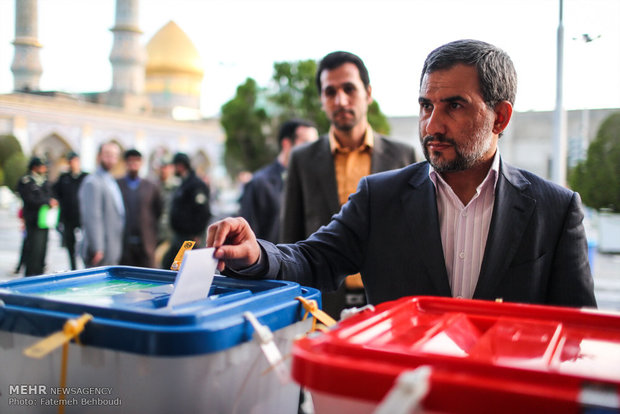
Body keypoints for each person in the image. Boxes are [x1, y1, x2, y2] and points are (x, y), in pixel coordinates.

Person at [207, 39, 597, 309]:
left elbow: (577, 335)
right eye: (426, 106)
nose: (432, 125)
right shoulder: (381, 198)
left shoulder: (555, 210)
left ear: (501, 116)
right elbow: (312, 259)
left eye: (454, 106)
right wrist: (257, 253)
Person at [280, 51, 417, 317]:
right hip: (322, 302)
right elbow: (291, 237)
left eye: (349, 89)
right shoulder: (303, 159)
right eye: (330, 92)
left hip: (387, 302)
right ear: (322, 100)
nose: (340, 100)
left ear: (368, 93)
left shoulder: (403, 155)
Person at [239, 119, 318, 243]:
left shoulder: (315, 181)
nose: (314, 150)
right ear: (286, 144)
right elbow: (247, 237)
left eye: (316, 145)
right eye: (306, 143)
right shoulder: (260, 183)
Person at [78, 141, 125, 267]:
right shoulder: (93, 182)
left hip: (111, 247)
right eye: (108, 154)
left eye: (115, 156)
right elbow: (93, 216)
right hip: (100, 252)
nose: (111, 159)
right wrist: (97, 248)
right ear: (99, 156)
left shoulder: (110, 180)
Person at [162, 152, 211, 269]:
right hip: (180, 237)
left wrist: (196, 234)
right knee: (171, 265)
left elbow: (203, 212)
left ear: (180, 166)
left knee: (179, 267)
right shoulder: (184, 183)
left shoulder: (196, 185)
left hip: (189, 239)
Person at [117, 149, 163, 268]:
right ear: (125, 163)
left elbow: (158, 211)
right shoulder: (117, 185)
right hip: (124, 244)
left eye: (136, 161)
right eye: (130, 161)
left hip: (146, 243)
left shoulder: (151, 186)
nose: (133, 164)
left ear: (141, 163)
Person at [16, 156, 57, 276]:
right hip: (33, 220)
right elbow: (30, 199)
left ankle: (39, 272)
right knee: (33, 249)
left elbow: (51, 195)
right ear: (35, 167)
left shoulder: (44, 182)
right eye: (42, 167)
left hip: (44, 221)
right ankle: (30, 275)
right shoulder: (26, 181)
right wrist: (46, 202)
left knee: (42, 250)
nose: (44, 169)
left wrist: (52, 201)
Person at [53, 151, 88, 270]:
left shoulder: (86, 177)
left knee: (85, 242)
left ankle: (86, 265)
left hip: (82, 216)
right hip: (68, 217)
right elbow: (55, 192)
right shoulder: (64, 178)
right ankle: (73, 268)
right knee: (70, 244)